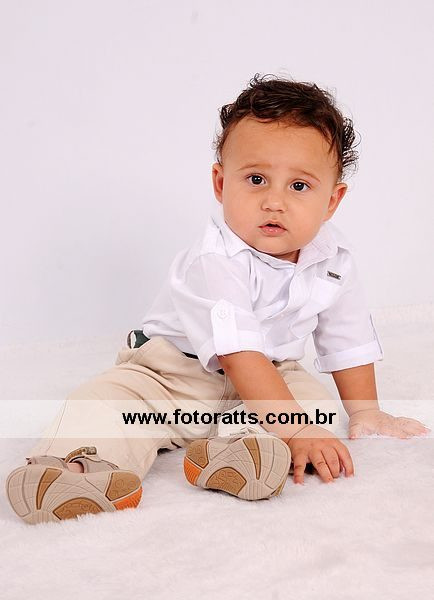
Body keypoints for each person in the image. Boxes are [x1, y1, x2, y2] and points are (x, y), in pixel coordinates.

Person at [5, 73, 429, 525]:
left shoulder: (334, 258)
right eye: (256, 179)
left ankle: (239, 451)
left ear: (332, 201)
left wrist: (365, 412)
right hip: (170, 378)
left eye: (299, 186)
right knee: (107, 403)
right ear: (221, 183)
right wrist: (295, 429)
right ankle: (75, 471)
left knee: (311, 403)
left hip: (271, 375)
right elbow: (238, 354)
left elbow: (347, 338)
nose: (274, 201)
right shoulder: (215, 258)